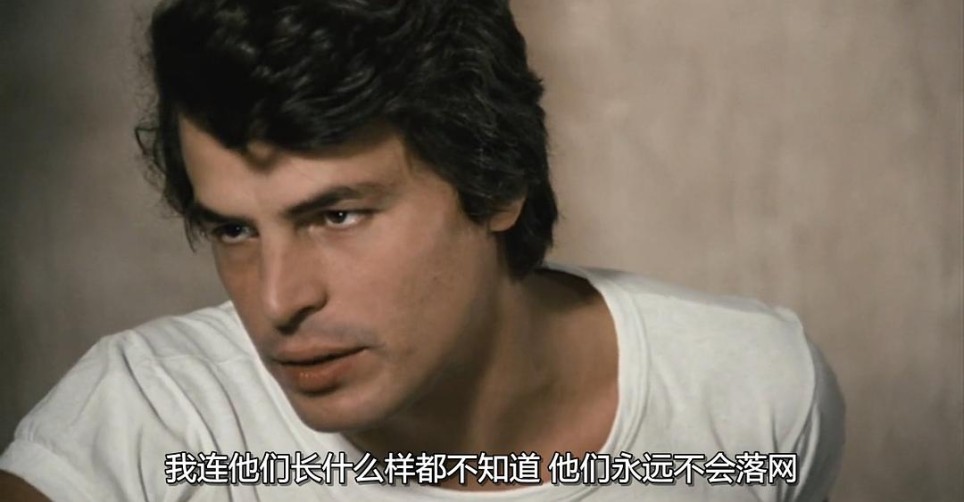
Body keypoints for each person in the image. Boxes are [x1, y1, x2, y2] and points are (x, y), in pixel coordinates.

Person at [0, 0, 844, 500]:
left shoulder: (752, 392)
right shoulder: (147, 424)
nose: (277, 300)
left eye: (337, 215)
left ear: (497, 180)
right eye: (235, 230)